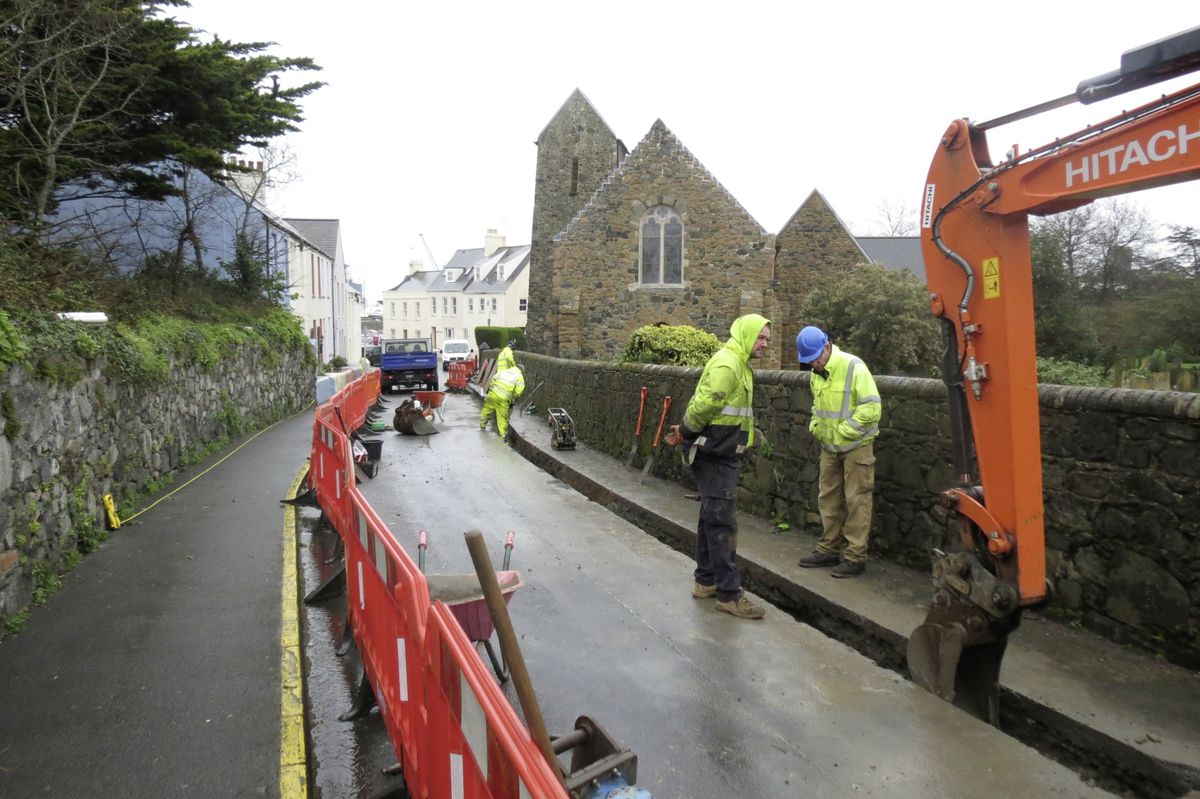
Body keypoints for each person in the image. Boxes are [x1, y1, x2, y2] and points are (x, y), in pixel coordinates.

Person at [664, 314, 772, 620]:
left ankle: (705, 581)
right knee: (722, 524)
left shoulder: (738, 362)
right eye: (761, 338)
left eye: (766, 339)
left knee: (710, 518)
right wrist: (685, 431)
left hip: (719, 449)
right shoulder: (729, 364)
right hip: (715, 453)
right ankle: (729, 594)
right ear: (747, 335)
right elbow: (704, 405)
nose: (764, 344)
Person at [795, 325, 881, 578]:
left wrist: (841, 432)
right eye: (809, 362)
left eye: (816, 359)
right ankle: (828, 549)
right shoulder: (815, 373)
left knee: (857, 501)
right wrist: (815, 425)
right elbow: (818, 406)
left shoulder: (855, 367)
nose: (814, 365)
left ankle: (855, 557)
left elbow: (872, 409)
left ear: (827, 346)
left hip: (857, 446)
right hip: (829, 447)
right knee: (828, 498)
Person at [480, 364, 525, 438]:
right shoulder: (519, 376)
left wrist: (492, 389)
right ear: (522, 371)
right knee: (502, 417)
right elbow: (518, 392)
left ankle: (482, 426)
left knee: (486, 410)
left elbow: (493, 378)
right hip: (503, 399)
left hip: (493, 394)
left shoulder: (504, 371)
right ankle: (502, 436)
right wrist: (512, 397)